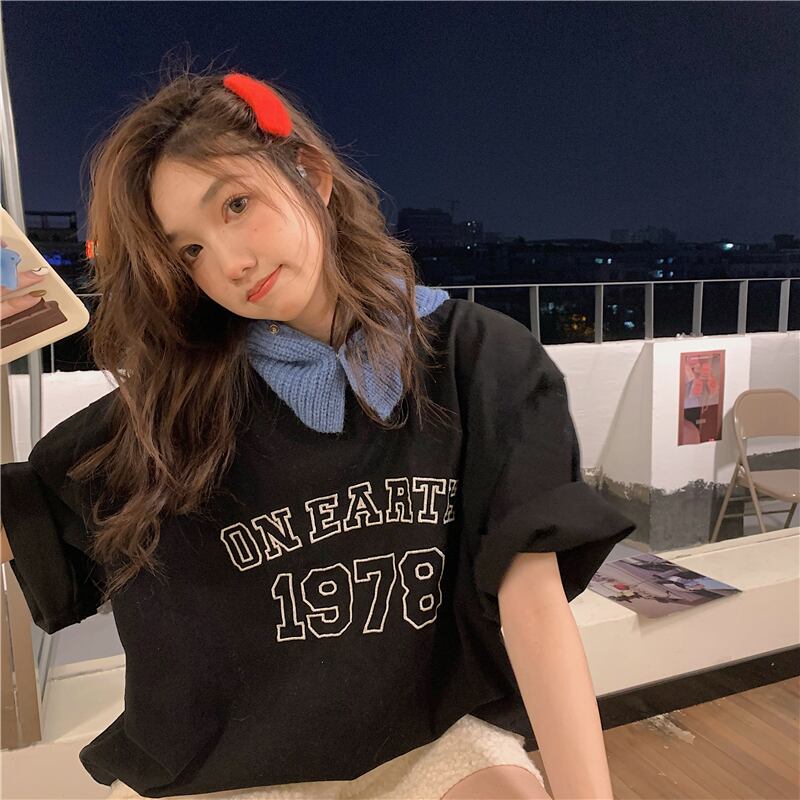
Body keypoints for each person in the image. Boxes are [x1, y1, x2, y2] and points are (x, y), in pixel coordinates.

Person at [0, 62, 637, 800]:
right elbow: (25, 518)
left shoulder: (479, 361)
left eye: (236, 204)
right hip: (231, 775)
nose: (231, 264)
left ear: (311, 175)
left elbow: (535, 604)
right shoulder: (178, 408)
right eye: (190, 250)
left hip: (430, 739)